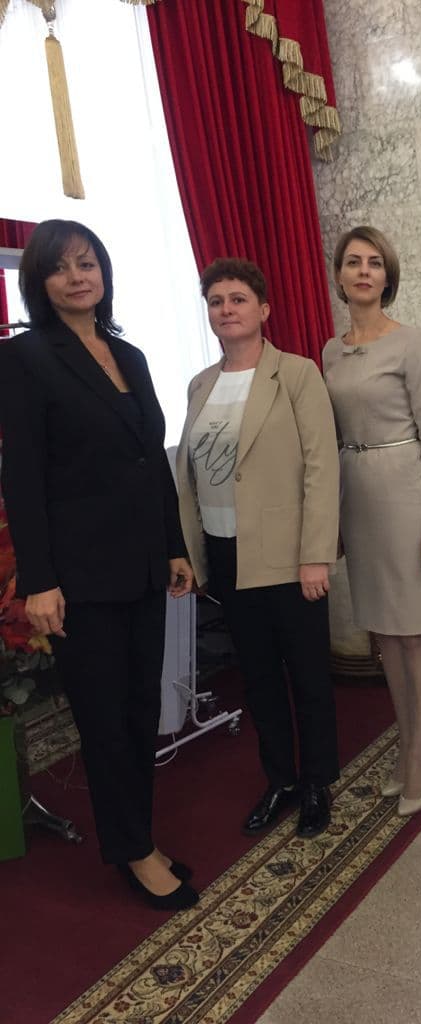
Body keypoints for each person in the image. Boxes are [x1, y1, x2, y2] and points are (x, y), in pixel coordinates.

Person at [0, 220, 197, 910]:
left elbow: (151, 462)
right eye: (60, 268)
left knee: (141, 709)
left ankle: (137, 834)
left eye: (87, 263)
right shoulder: (25, 358)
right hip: (78, 577)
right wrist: (39, 581)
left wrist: (174, 545)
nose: (77, 277)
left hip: (141, 566)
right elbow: (23, 478)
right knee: (106, 718)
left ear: (104, 273)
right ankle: (132, 850)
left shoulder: (130, 355)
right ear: (40, 282)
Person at [176, 258, 340, 839]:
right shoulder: (200, 385)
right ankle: (281, 779)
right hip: (226, 553)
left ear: (264, 309)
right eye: (216, 301)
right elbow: (190, 476)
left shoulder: (296, 374)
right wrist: (192, 554)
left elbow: (321, 467)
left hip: (289, 553)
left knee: (308, 674)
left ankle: (317, 781)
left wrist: (316, 554)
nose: (227, 309)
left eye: (238, 299)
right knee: (259, 677)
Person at [323, 226, 421, 816]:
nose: (364, 272)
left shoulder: (411, 343)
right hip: (357, 494)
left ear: (387, 276)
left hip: (405, 492)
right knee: (383, 632)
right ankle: (406, 737)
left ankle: (420, 750)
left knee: (413, 629)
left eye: (375, 263)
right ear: (340, 275)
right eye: (354, 262)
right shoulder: (331, 351)